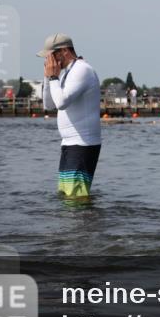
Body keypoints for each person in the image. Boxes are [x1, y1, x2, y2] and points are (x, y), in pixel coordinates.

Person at [39, 33, 101, 198]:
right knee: (66, 197)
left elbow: (61, 103)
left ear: (64, 51)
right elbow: (49, 105)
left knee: (75, 199)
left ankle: (88, 216)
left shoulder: (82, 70)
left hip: (82, 144)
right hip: (69, 143)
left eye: (51, 56)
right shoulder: (68, 72)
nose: (48, 60)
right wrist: (48, 77)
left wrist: (53, 77)